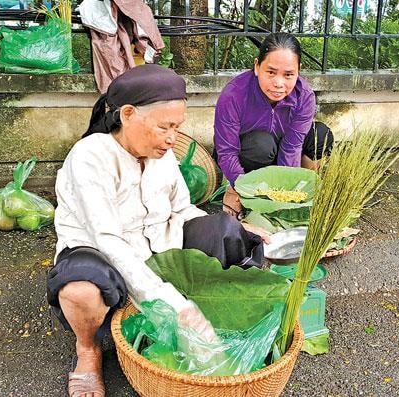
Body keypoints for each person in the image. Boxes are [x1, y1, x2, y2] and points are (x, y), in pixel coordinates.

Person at [46, 64, 270, 397]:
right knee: (82, 291)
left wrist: (239, 226)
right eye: (165, 126)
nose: (172, 138)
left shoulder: (162, 154)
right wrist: (172, 303)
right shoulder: (89, 157)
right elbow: (108, 239)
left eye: (177, 127)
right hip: (97, 250)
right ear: (127, 114)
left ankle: (220, 315)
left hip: (157, 242)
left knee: (227, 231)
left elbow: (182, 209)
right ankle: (88, 349)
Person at [213, 32, 334, 218]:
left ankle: (305, 189)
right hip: (249, 151)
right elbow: (227, 152)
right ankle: (252, 194)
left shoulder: (305, 96)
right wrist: (242, 189)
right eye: (271, 72)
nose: (279, 83)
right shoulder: (233, 95)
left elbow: (292, 146)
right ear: (256, 66)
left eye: (288, 75)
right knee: (262, 145)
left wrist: (288, 194)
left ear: (298, 71)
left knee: (321, 135)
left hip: (282, 147)